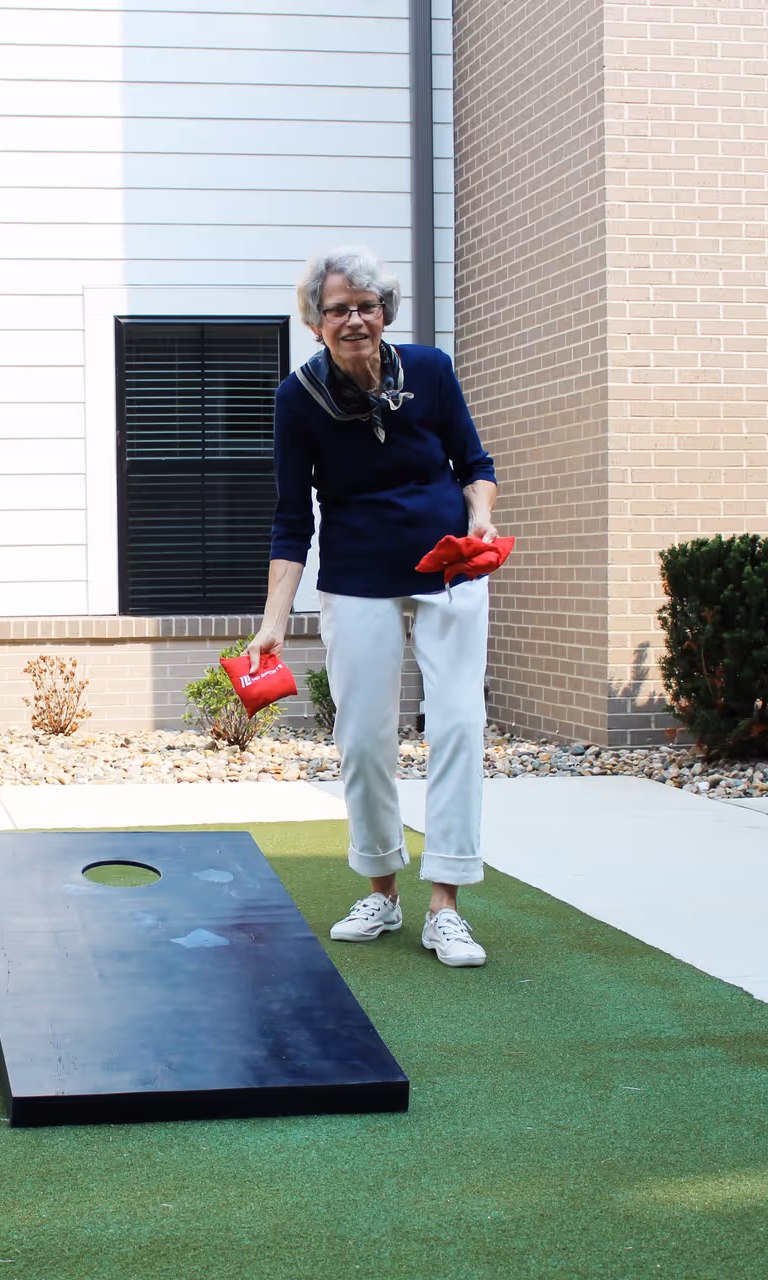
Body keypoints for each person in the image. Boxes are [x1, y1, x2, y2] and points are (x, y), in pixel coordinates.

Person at [249, 247, 498, 968]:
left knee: (457, 723)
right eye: (337, 309)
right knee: (362, 737)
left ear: (385, 309)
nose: (354, 318)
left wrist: (479, 517)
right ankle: (383, 890)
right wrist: (273, 622)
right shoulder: (298, 400)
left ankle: (445, 902)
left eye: (365, 305)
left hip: (449, 565)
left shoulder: (430, 370)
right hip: (357, 571)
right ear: (315, 322)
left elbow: (474, 465)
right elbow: (292, 519)